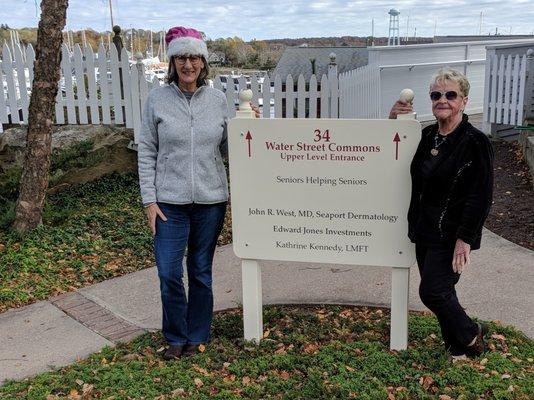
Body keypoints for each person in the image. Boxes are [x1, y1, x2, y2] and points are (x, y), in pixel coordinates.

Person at [138, 26, 257, 360]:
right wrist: (150, 199)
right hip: (169, 205)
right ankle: (175, 335)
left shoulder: (218, 100)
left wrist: (251, 129)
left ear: (203, 63)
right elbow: (146, 150)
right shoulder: (157, 100)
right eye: (181, 57)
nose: (188, 64)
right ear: (173, 62)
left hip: (210, 202)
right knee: (168, 271)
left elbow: (230, 148)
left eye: (194, 57)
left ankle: (197, 335)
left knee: (201, 271)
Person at [390, 68, 494, 360]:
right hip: (424, 230)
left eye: (450, 94)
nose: (442, 100)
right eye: (436, 95)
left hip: (451, 233)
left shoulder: (475, 141)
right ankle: (458, 348)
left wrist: (465, 238)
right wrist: (393, 118)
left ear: (463, 100)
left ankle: (471, 332)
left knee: (433, 291)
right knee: (444, 291)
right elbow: (391, 150)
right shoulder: (426, 136)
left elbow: (481, 195)